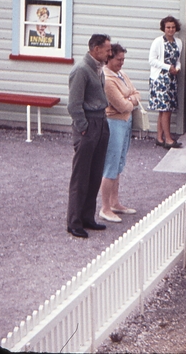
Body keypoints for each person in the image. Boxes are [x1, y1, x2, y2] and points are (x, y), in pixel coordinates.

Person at [66, 34, 112, 238]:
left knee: (95, 174)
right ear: (95, 49)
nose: (109, 53)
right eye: (107, 49)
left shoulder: (97, 68)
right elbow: (74, 104)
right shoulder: (81, 70)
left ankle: (87, 217)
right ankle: (74, 222)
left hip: (101, 123)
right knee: (81, 176)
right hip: (88, 125)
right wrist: (83, 127)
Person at [99, 43, 140, 223]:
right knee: (111, 164)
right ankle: (105, 207)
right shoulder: (107, 79)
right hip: (114, 123)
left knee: (119, 163)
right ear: (109, 58)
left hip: (125, 122)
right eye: (119, 59)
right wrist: (131, 100)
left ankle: (115, 202)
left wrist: (130, 99)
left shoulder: (121, 75)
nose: (122, 63)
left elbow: (136, 93)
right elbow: (122, 105)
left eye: (123, 59)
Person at [149, 16, 183, 148]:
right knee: (165, 109)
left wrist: (178, 68)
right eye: (168, 27)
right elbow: (152, 60)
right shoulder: (158, 42)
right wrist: (168, 67)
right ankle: (168, 139)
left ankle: (159, 138)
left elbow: (178, 60)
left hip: (172, 79)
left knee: (164, 110)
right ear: (164, 28)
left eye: (173, 27)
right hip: (160, 79)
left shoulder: (178, 42)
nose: (171, 29)